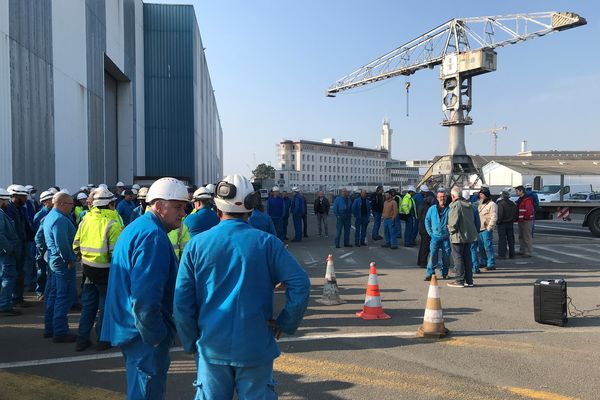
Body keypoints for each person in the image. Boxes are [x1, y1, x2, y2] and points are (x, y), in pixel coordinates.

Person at [173, 174, 310, 400]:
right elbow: (300, 285)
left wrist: (190, 341)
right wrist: (286, 321)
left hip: (211, 346)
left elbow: (182, 301)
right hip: (255, 346)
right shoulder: (268, 243)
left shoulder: (196, 245)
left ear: (216, 207)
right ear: (251, 207)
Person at [101, 177, 188, 400]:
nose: (183, 213)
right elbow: (145, 297)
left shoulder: (138, 228)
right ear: (159, 206)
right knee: (147, 392)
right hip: (143, 335)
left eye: (184, 207)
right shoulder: (152, 236)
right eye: (177, 207)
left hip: (130, 328)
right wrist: (156, 335)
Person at [73, 188, 123, 351]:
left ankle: (82, 339)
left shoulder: (85, 220)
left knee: (88, 306)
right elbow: (115, 254)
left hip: (88, 269)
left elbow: (76, 245)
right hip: (105, 271)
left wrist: (85, 260)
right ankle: (103, 339)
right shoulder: (112, 224)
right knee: (105, 306)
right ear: (110, 204)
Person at [43, 192, 78, 341]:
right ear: (62, 203)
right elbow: (62, 244)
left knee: (54, 295)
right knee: (63, 296)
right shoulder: (59, 220)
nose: (72, 207)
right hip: (62, 263)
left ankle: (50, 327)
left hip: (54, 261)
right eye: (71, 204)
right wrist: (70, 259)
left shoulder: (51, 216)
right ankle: (60, 331)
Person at [5, 185, 33, 308]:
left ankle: (18, 298)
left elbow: (26, 226)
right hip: (12, 247)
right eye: (23, 196)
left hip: (22, 244)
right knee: (10, 274)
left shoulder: (21, 209)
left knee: (20, 273)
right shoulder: (7, 210)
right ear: (14, 196)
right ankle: (9, 301)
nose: (25, 199)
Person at [447, 186, 478, 288]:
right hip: (468, 236)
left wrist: (450, 230)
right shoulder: (468, 205)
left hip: (457, 236)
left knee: (458, 258)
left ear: (453, 195)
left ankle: (459, 280)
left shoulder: (456, 205)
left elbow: (452, 223)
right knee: (467, 258)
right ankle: (469, 281)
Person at [0, 188, 22, 316]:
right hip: (5, 252)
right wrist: (10, 249)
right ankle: (4, 306)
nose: (7, 203)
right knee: (8, 278)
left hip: (3, 251)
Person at [424, 189, 451, 280]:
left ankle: (445, 273)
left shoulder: (449, 209)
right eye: (440, 197)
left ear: (446, 197)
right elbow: (427, 220)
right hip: (435, 236)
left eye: (443, 196)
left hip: (446, 236)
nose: (442, 198)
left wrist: (450, 229)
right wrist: (430, 233)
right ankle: (430, 273)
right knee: (432, 255)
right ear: (437, 198)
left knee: (446, 256)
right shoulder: (432, 209)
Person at [32, 191, 54, 298]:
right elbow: (37, 234)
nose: (53, 201)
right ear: (44, 202)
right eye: (50, 199)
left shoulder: (55, 212)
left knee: (50, 271)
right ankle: (40, 291)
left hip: (50, 247)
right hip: (42, 247)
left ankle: (48, 291)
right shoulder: (39, 215)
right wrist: (41, 249)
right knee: (41, 270)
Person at [477, 187, 498, 271]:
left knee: (488, 247)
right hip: (479, 228)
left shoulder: (492, 204)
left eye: (482, 194)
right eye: (480, 195)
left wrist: (489, 228)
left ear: (486, 195)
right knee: (481, 247)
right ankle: (483, 261)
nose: (480, 196)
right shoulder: (480, 204)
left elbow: (494, 217)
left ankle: (491, 263)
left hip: (486, 229)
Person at [496, 190, 517, 259]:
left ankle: (502, 254)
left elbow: (500, 214)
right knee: (511, 239)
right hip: (510, 223)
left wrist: (498, 221)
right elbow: (515, 214)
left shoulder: (501, 204)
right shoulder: (513, 204)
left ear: (502, 196)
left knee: (502, 240)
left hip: (502, 224)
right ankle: (512, 254)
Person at [515, 185, 535, 258]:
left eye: (517, 191)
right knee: (521, 236)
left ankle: (528, 252)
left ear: (521, 191)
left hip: (526, 221)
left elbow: (528, 211)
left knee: (526, 236)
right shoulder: (521, 199)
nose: (516, 192)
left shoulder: (527, 200)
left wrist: (525, 218)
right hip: (521, 220)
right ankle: (522, 250)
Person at [417, 192, 435, 268]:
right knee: (425, 246)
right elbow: (426, 219)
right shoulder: (427, 207)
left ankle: (420, 261)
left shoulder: (422, 204)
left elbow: (419, 216)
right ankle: (423, 262)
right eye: (432, 198)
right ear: (429, 198)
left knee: (422, 246)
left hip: (421, 228)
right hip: (425, 229)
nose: (433, 200)